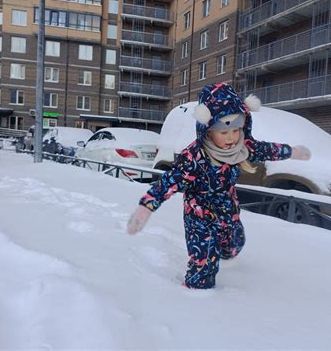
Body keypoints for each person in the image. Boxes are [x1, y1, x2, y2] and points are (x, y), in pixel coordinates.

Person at [127, 83, 311, 289]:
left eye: (235, 129)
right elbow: (167, 183)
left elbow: (266, 149)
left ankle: (226, 250)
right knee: (204, 262)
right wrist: (145, 208)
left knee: (234, 245)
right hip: (199, 214)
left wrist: (292, 152)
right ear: (208, 129)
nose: (232, 137)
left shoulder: (242, 147)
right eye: (223, 132)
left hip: (228, 209)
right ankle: (196, 294)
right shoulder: (194, 158)